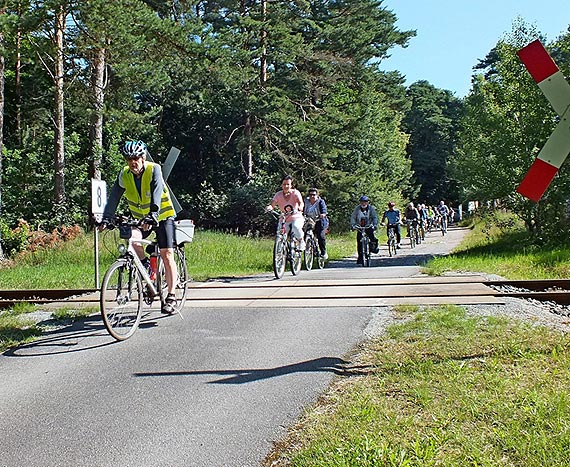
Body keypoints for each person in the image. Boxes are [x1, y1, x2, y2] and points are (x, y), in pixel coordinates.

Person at [99, 140, 179, 314]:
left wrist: (154, 213)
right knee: (134, 243)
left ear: (143, 157)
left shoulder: (154, 169)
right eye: (129, 159)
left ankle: (171, 297)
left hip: (162, 216)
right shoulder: (124, 175)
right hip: (140, 218)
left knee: (167, 253)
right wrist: (106, 218)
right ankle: (148, 268)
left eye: (136, 158)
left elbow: (157, 191)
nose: (133, 162)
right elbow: (114, 197)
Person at [266, 175, 305, 250]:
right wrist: (269, 208)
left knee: (296, 227)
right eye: (284, 184)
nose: (286, 186)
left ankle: (301, 241)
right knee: (280, 233)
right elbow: (272, 204)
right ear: (281, 185)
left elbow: (301, 202)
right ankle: (280, 252)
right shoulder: (278, 194)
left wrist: (300, 207)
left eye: (288, 184)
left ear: (291, 185)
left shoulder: (295, 193)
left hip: (296, 216)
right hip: (284, 218)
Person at [350, 196, 379, 264]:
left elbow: (374, 217)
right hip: (360, 226)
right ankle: (360, 257)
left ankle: (373, 248)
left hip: (368, 225)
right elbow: (353, 217)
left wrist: (374, 225)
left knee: (372, 237)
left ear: (368, 202)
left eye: (365, 202)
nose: (363, 203)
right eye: (362, 202)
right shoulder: (357, 209)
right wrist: (353, 225)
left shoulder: (371, 208)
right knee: (359, 241)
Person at [303, 188, 329, 259]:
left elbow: (324, 210)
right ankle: (310, 249)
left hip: (320, 221)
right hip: (309, 220)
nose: (312, 196)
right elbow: (302, 209)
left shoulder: (320, 201)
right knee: (304, 234)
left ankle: (323, 252)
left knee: (320, 236)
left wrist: (323, 214)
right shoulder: (306, 201)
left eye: (314, 195)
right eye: (310, 195)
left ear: (317, 195)